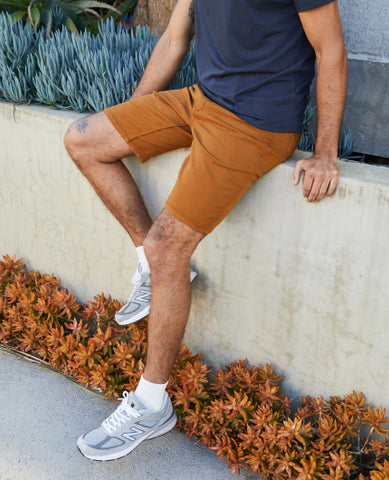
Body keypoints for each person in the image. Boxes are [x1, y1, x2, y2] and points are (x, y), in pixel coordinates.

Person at [64, 0, 347, 461]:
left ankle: (153, 404)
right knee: (83, 139)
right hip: (203, 102)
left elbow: (330, 47)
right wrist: (134, 119)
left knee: (168, 245)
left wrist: (326, 152)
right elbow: (175, 39)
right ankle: (147, 265)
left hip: (256, 125)